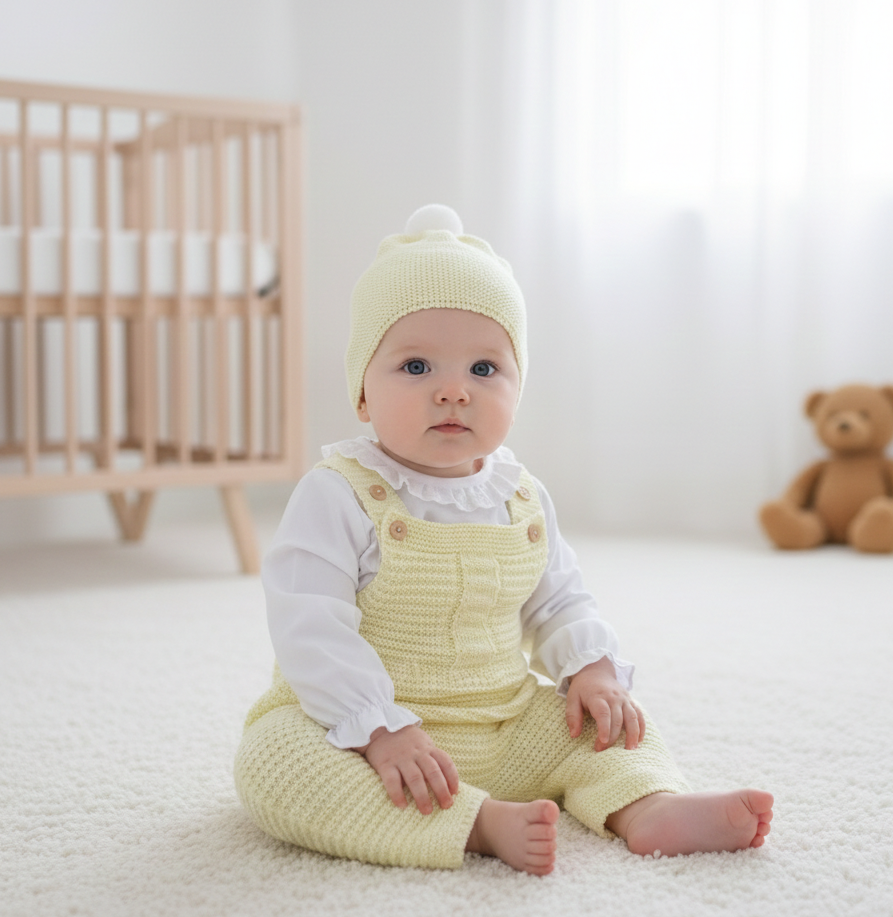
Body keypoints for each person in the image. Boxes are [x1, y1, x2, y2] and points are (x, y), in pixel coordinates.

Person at [234, 205, 773, 875]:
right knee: (272, 761)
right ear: (362, 393)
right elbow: (307, 623)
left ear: (517, 387)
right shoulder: (337, 491)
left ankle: (646, 804)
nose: (454, 391)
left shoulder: (520, 496)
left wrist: (589, 668)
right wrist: (378, 726)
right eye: (416, 366)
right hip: (367, 734)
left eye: (484, 369)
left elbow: (558, 600)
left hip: (504, 722)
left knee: (605, 724)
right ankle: (477, 823)